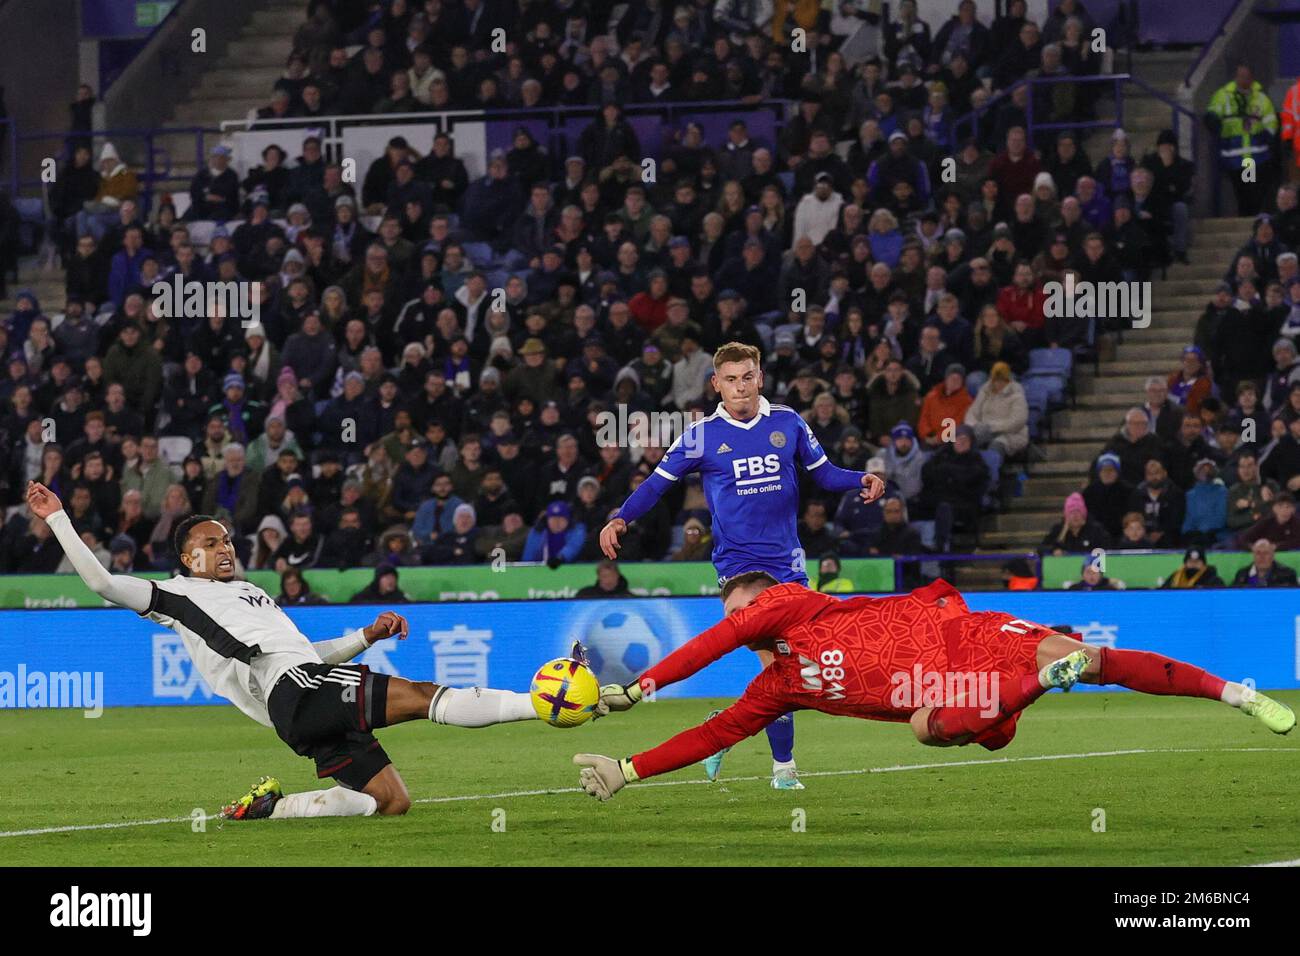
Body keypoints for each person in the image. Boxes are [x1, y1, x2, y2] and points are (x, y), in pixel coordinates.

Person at [25, 479, 543, 821]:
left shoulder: (253, 594)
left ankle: (272, 808)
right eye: (212, 543)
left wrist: (365, 636)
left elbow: (302, 654)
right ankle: (542, 703)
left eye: (227, 540)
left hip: (299, 696)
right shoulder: (175, 594)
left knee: (390, 802)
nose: (225, 548)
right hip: (294, 695)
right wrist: (58, 518)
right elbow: (103, 582)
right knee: (422, 694)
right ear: (188, 557)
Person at [572, 572, 1295, 800]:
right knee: (931, 725)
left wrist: (643, 685)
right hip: (960, 703)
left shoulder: (793, 600)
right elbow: (715, 732)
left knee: (1095, 657)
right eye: (738, 614)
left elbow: (718, 637)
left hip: (967, 637)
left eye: (743, 607)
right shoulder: (780, 686)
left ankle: (1237, 694)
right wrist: (628, 768)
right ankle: (1038, 684)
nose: (740, 620)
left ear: (767, 597)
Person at [599, 341, 885, 790]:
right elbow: (657, 484)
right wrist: (620, 518)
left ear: (760, 378)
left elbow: (825, 474)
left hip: (788, 565)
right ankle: (784, 769)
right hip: (738, 568)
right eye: (730, 380)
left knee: (800, 672)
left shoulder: (787, 422)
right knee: (776, 662)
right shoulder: (701, 435)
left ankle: (723, 732)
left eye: (747, 377)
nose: (740, 387)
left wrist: (860, 479)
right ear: (716, 385)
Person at [1161, 547, 1225, 589]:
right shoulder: (1175, 577)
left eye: (1197, 562)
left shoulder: (1213, 580)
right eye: (1190, 561)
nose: (1193, 564)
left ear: (1204, 564)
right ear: (1185, 564)